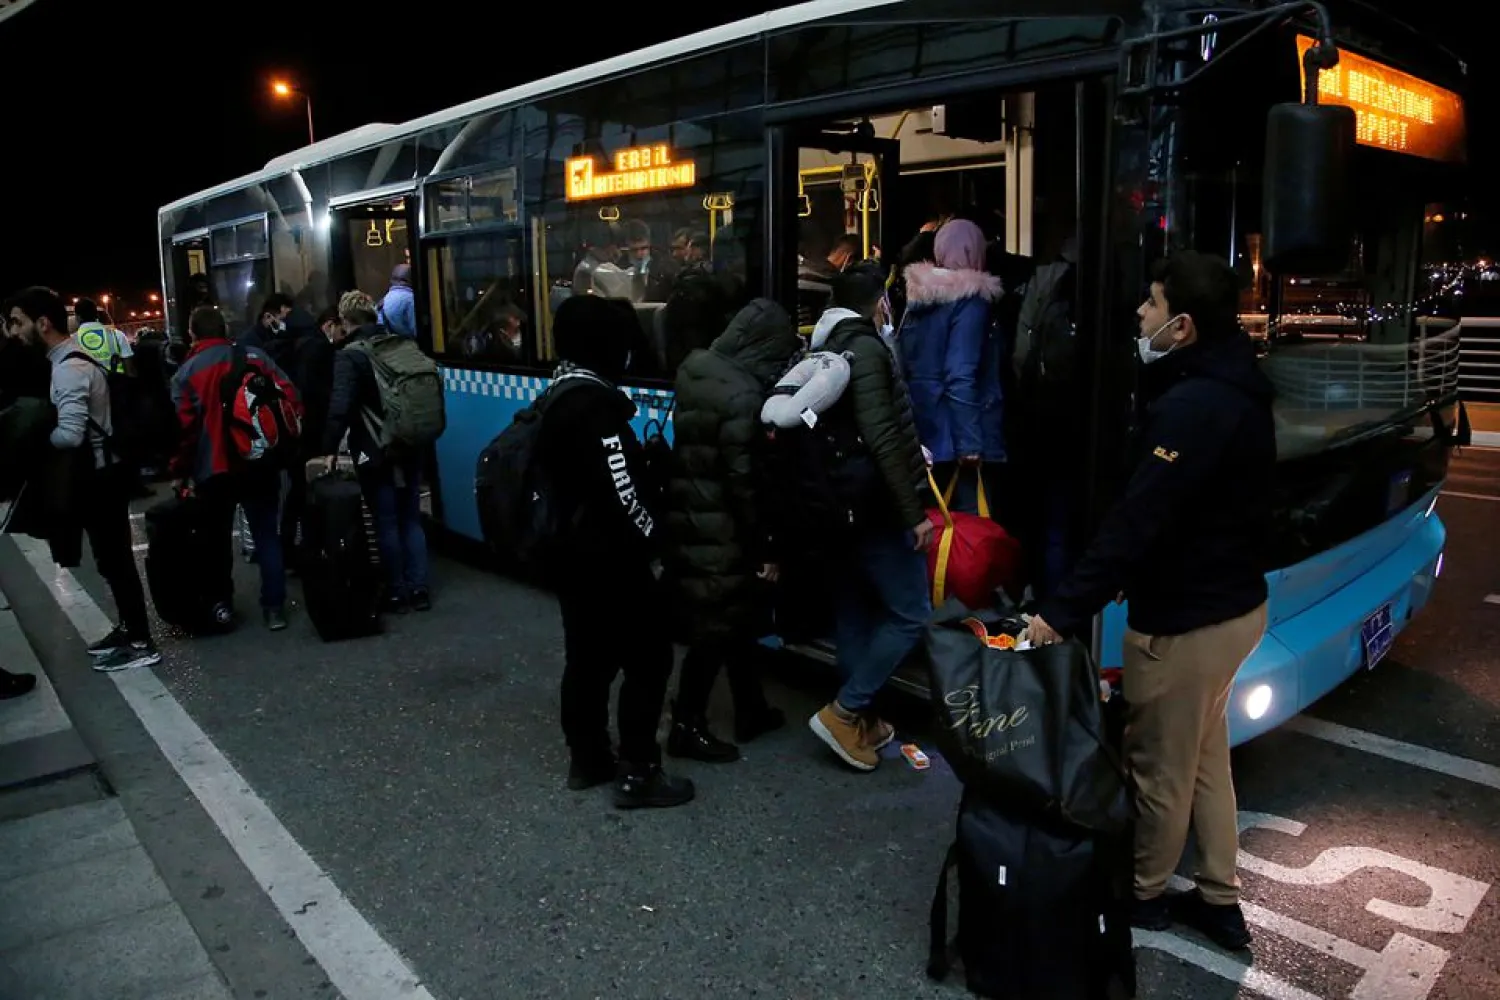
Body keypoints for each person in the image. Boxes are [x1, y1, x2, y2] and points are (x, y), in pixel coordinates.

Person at [1024, 252, 1275, 952]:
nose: (1140, 314)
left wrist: (1059, 611)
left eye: (1153, 304)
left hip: (1186, 619)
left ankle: (1144, 895)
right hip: (1237, 610)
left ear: (1184, 326)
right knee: (1204, 759)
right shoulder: (1238, 384)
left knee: (1159, 768)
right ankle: (1220, 898)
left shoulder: (1193, 407)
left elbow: (1136, 522)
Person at [537, 294, 694, 809]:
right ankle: (639, 771)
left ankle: (588, 759)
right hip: (608, 560)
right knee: (648, 658)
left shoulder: (559, 393)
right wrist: (655, 546)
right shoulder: (595, 406)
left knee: (586, 659)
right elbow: (622, 494)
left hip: (570, 556)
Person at [805, 264, 934, 772]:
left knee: (854, 612)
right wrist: (914, 512)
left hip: (838, 507)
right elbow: (883, 438)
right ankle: (845, 711)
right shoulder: (869, 350)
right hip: (875, 508)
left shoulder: (822, 346)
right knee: (910, 612)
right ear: (879, 302)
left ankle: (860, 719)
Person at [663, 298, 800, 762]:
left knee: (733, 618)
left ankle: (750, 708)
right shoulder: (743, 395)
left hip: (691, 512)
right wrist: (765, 545)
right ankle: (686, 723)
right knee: (716, 626)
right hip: (721, 526)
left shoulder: (697, 371)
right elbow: (744, 481)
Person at [5, 287, 159, 670]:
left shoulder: (68, 368)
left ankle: (141, 641)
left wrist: (36, 438)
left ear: (42, 323)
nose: (13, 331)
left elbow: (71, 435)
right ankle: (128, 628)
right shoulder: (68, 359)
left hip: (100, 477)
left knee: (117, 560)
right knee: (110, 560)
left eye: (18, 322)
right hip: (100, 473)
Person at [170, 305, 295, 630]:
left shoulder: (187, 372)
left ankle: (222, 606)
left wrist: (179, 471)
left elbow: (184, 431)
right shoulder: (254, 357)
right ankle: (274, 608)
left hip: (213, 468)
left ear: (193, 334)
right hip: (258, 460)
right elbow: (290, 396)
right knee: (267, 534)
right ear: (225, 329)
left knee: (217, 540)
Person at [319, 291, 432, 612]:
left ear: (345, 321)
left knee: (386, 519)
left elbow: (340, 407)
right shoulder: (401, 345)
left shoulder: (350, 355)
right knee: (410, 516)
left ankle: (396, 592)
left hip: (375, 447)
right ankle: (420, 588)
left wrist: (328, 448)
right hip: (410, 442)